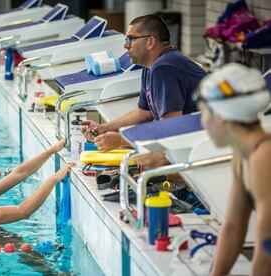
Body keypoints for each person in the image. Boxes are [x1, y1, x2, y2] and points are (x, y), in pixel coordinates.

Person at [81, 14, 206, 170]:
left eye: (130, 39)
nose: (126, 46)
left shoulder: (165, 67)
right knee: (132, 151)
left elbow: (172, 128)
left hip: (203, 145)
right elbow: (143, 113)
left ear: (150, 41)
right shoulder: (151, 67)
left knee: (145, 159)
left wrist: (121, 140)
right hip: (190, 140)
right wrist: (104, 128)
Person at [196, 63, 271, 275]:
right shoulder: (243, 154)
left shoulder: (264, 157)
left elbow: (267, 249)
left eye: (203, 113)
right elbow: (233, 228)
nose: (203, 122)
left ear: (221, 115)